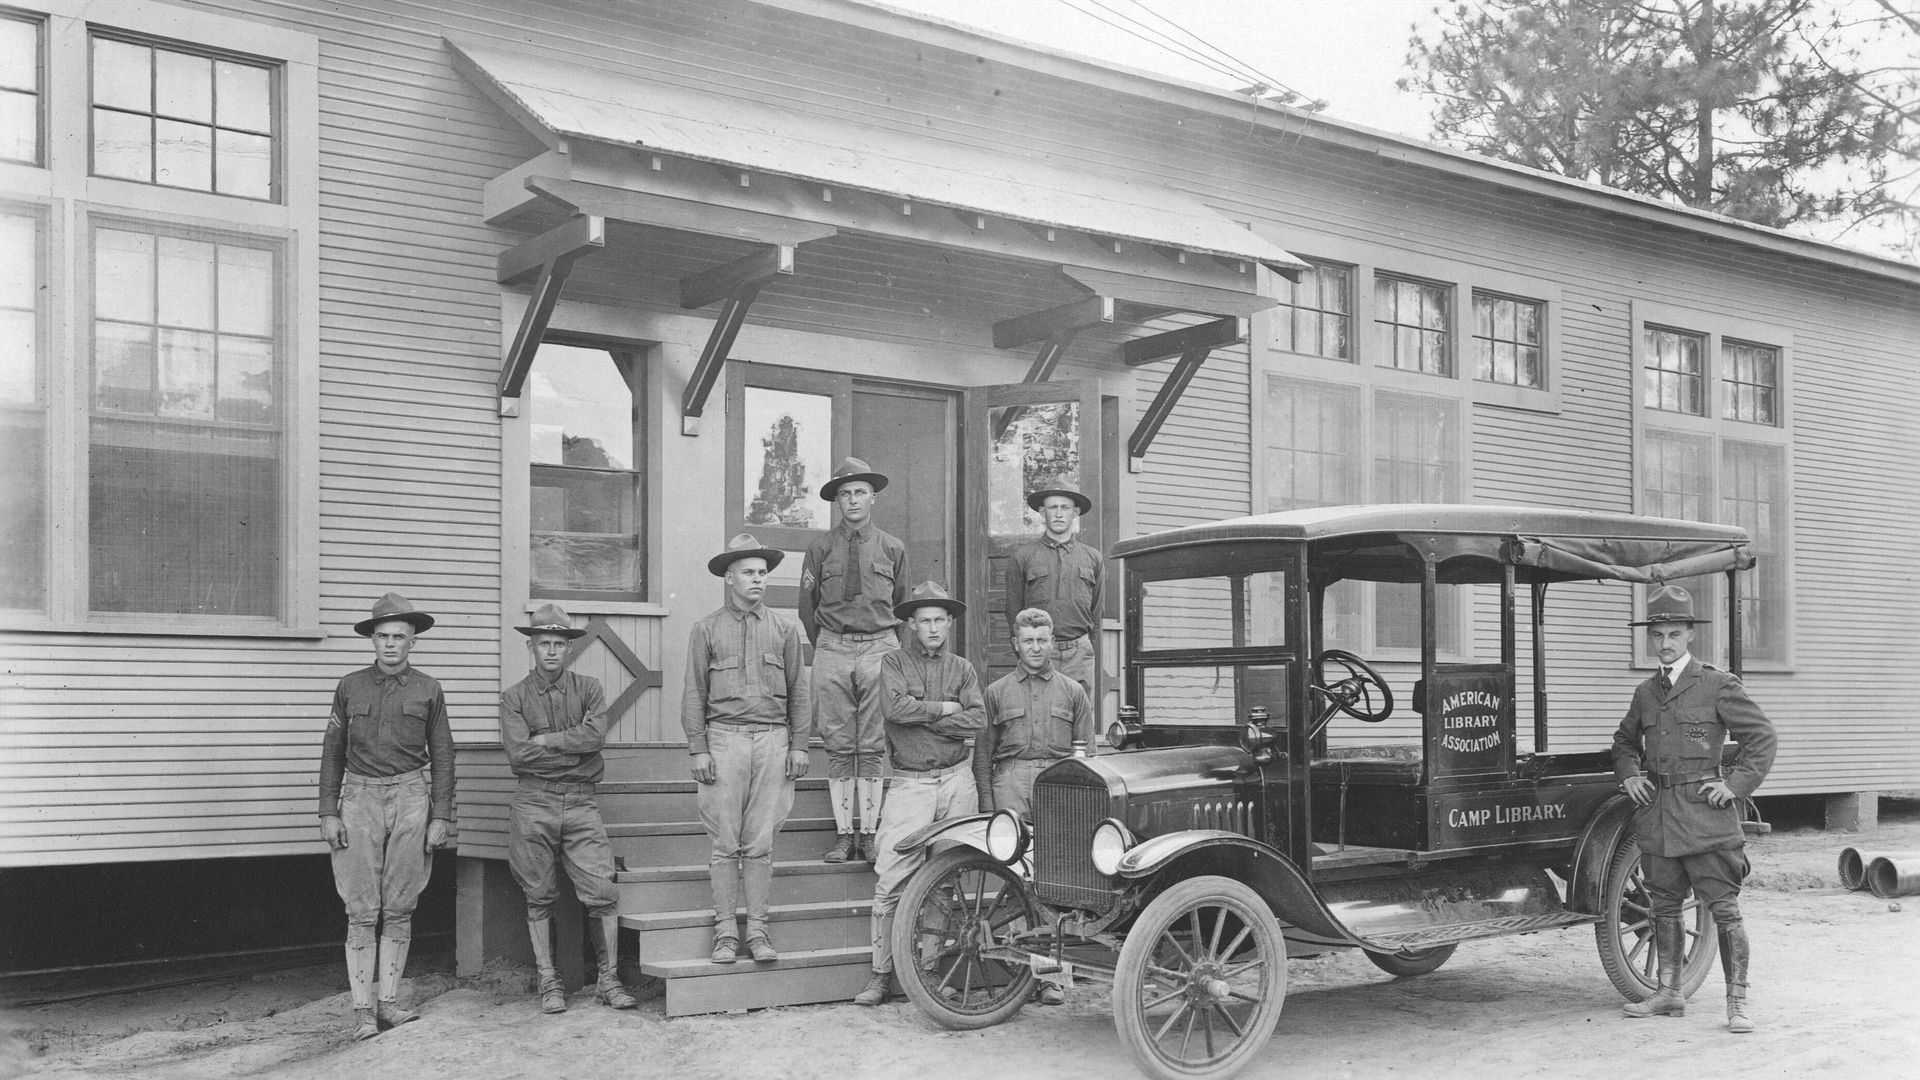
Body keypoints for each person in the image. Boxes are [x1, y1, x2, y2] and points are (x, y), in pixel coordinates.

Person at [1611, 584, 1777, 1033]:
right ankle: (1668, 992)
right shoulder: (1646, 692)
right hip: (1658, 817)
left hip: (1706, 817)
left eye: (1674, 634)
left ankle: (1737, 1004)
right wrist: (1629, 774)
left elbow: (1762, 738)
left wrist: (1736, 786)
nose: (1665, 643)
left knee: (1723, 910)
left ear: (1690, 637)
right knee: (1664, 906)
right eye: (1658, 634)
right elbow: (1625, 742)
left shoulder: (1718, 684)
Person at [318, 593, 454, 1041]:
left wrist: (441, 816)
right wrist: (328, 812)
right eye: (382, 637)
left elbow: (444, 757)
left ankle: (390, 1003)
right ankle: (362, 1011)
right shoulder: (350, 686)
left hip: (413, 796)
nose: (391, 644)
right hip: (358, 799)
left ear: (413, 641)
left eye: (399, 637)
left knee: (400, 907)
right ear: (372, 641)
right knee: (361, 910)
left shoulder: (429, 689)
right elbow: (332, 753)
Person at [499, 602, 638, 1014]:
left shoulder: (590, 689)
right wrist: (570, 748)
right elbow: (519, 757)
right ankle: (549, 981)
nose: (553, 651)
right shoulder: (514, 698)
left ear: (569, 647)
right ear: (532, 647)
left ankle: (607, 981)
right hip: (533, 801)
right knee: (539, 894)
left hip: (580, 801)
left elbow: (595, 739)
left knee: (603, 891)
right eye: (544, 642)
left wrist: (546, 741)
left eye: (560, 642)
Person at [682, 534, 812, 966]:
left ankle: (757, 930)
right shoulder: (707, 629)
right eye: (748, 573)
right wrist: (698, 749)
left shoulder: (784, 629)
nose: (757, 580)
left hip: (774, 742)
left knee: (760, 844)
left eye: (762, 573)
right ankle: (724, 933)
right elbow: (693, 694)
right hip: (725, 740)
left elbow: (799, 694)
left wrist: (799, 745)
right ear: (729, 578)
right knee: (725, 842)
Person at [853, 582, 984, 1007]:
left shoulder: (962, 669)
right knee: (891, 880)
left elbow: (977, 719)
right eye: (924, 620)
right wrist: (947, 708)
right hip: (910, 784)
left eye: (939, 620)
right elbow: (895, 711)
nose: (932, 627)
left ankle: (927, 973)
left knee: (944, 880)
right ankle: (879, 975)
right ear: (911, 624)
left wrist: (927, 716)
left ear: (949, 623)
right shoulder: (893, 662)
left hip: (956, 782)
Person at [798, 457, 909, 864]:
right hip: (833, 647)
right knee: (840, 744)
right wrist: (831, 643)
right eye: (845, 494)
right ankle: (846, 834)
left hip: (881, 645)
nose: (852, 500)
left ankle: (870, 832)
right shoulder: (820, 547)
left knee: (874, 743)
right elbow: (806, 607)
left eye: (860, 492)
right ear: (837, 501)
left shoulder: (893, 547)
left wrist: (883, 643)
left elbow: (901, 602)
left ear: (873, 497)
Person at [975, 607, 1096, 820]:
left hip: (1059, 783)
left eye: (1042, 640)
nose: (1036, 648)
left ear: (1052, 641)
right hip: (1009, 786)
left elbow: (1089, 755)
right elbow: (983, 757)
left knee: (1059, 847)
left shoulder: (1073, 691)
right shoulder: (996, 692)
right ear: (1016, 644)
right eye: (1028, 641)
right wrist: (986, 807)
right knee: (1007, 849)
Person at [1005, 488, 1103, 698]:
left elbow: (1096, 610)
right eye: (1052, 507)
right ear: (1042, 511)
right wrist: (1027, 650)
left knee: (1080, 718)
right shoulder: (1023, 557)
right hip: (1038, 650)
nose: (1059, 513)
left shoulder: (1093, 558)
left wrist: (1084, 647)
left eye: (1065, 507)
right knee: (1038, 716)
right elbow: (1013, 611)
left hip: (1079, 653)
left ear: (1075, 512)